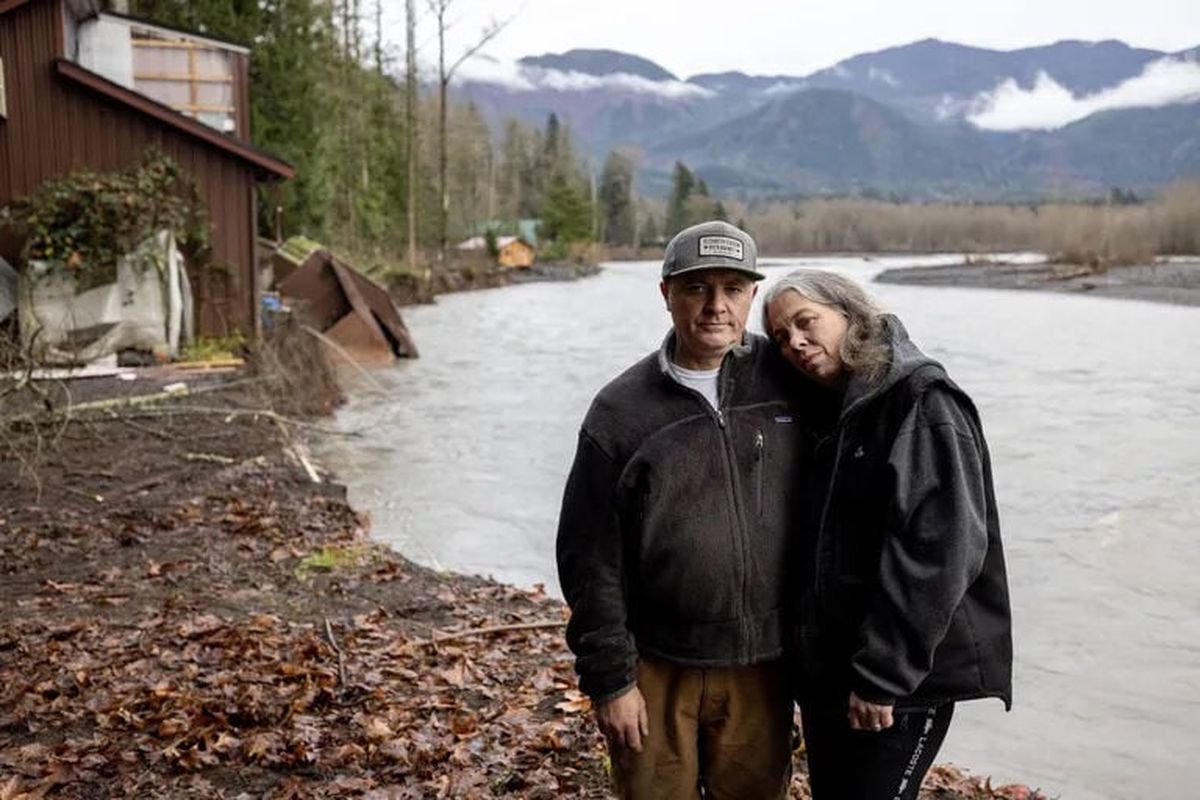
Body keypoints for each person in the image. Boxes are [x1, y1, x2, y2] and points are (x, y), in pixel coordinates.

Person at [556, 221, 805, 799]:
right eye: (697, 288)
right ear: (667, 293)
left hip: (764, 667)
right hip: (656, 666)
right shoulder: (621, 412)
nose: (716, 306)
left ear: (752, 297)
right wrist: (611, 682)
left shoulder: (791, 380)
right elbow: (589, 558)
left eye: (733, 289)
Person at [762, 269, 1013, 800]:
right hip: (834, 672)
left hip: (901, 683)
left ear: (850, 314)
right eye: (782, 338)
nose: (796, 344)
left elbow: (943, 553)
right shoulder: (828, 409)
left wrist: (883, 675)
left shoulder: (920, 401)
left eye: (806, 323)